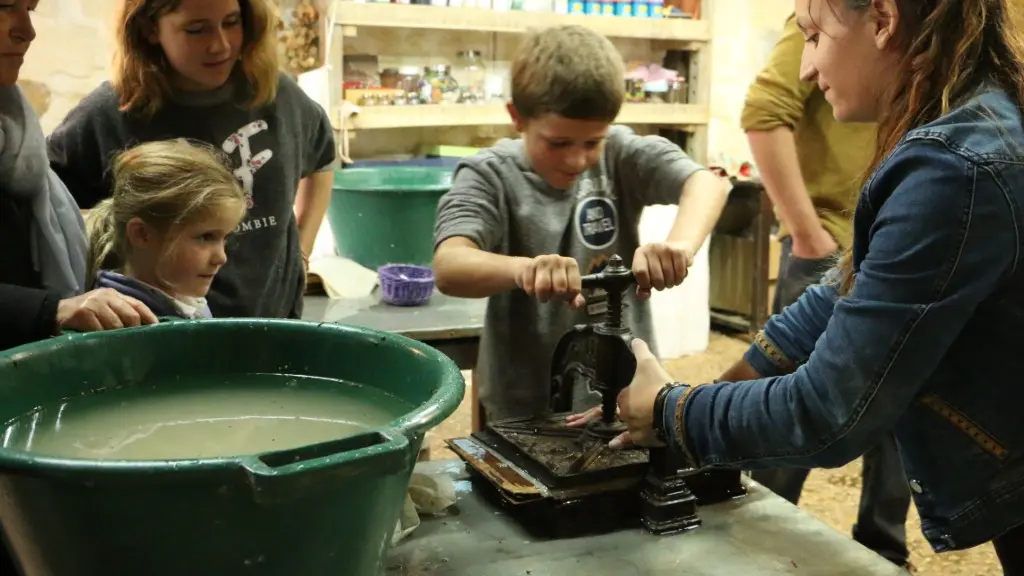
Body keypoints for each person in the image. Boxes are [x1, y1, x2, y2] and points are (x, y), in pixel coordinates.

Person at [597, 0, 1024, 572]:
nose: (805, 66)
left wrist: (673, 413)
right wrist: (727, 382)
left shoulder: (956, 168)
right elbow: (849, 288)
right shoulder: (976, 120)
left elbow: (831, 413)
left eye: (815, 36)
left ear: (883, 19)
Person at [432, 25, 730, 424]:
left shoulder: (621, 153)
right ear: (517, 118)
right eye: (557, 143)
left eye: (592, 143)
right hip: (525, 404)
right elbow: (450, 266)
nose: (576, 159)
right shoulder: (490, 174)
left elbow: (707, 183)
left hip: (628, 394)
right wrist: (524, 269)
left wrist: (679, 246)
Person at [740, 13, 909, 567]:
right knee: (788, 420)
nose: (811, 63)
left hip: (887, 246)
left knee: (898, 411)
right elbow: (764, 113)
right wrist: (807, 233)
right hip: (833, 247)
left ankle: (883, 548)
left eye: (818, 41)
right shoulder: (834, 11)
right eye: (809, 40)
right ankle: (755, 537)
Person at [47, 0, 337, 320]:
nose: (221, 44)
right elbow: (43, 208)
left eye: (231, 22)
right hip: (159, 336)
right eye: (196, 29)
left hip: (275, 322)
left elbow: (322, 157)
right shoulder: (109, 113)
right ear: (149, 29)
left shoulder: (277, 94)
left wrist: (301, 251)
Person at [0, 0, 158, 353]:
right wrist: (52, 309)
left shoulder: (14, 126)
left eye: (30, 8)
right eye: (4, 6)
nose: (26, 31)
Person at [86, 139, 248, 319]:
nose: (221, 258)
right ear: (142, 234)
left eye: (224, 238)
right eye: (206, 237)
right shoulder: (124, 324)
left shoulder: (184, 302)